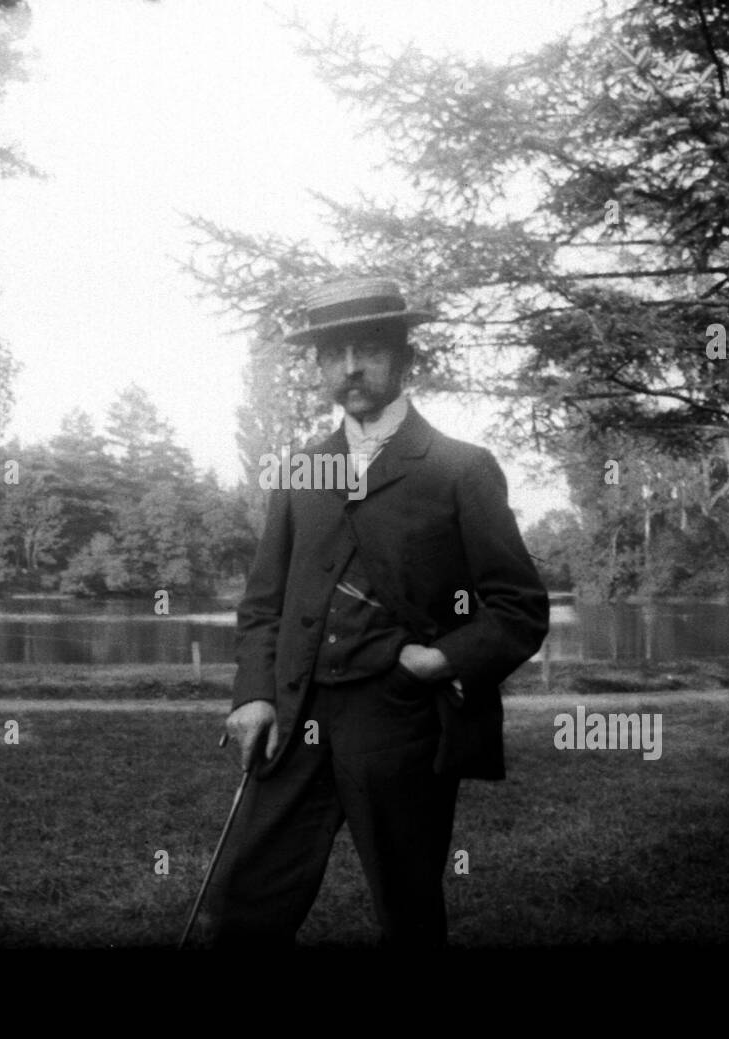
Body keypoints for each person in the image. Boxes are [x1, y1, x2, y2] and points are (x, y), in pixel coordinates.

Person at [202, 277, 549, 949]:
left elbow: (519, 607)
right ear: (320, 366)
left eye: (368, 349)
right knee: (245, 898)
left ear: (404, 358)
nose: (351, 367)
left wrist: (443, 657)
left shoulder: (459, 469)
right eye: (334, 353)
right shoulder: (302, 470)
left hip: (401, 723)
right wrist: (253, 693)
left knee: (407, 910)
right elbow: (263, 602)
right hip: (296, 715)